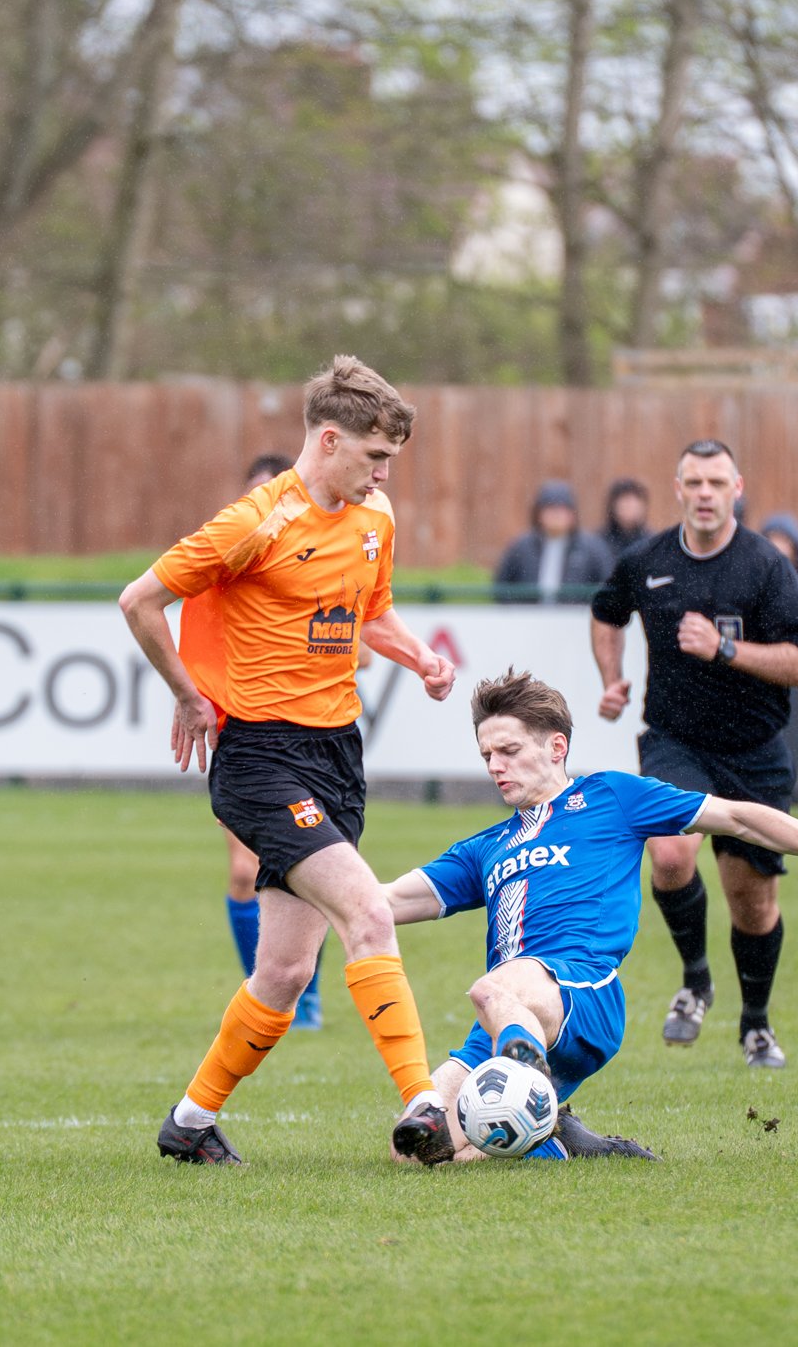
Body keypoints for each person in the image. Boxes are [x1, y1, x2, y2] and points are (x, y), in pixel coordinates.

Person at [119, 355, 459, 1165]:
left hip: (337, 753)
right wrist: (188, 695)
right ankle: (424, 1105)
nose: (384, 475)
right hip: (260, 756)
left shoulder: (374, 518)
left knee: (283, 970)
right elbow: (140, 600)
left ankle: (189, 1124)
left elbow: (369, 614)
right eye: (375, 456)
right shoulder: (254, 522)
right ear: (330, 439)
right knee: (369, 914)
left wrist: (418, 657)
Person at [380, 669, 798, 1164]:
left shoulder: (610, 796)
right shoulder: (484, 848)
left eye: (509, 750)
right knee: (414, 1147)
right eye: (487, 755)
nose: (495, 765)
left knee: (490, 987)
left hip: (581, 992)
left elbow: (738, 818)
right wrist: (328, 879)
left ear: (556, 747)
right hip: (509, 1016)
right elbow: (382, 903)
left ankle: (526, 1074)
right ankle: (556, 1138)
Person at [590, 439, 798, 1068]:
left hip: (754, 753)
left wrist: (725, 649)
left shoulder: (765, 566)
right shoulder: (647, 559)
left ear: (736, 489)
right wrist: (611, 678)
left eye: (717, 483)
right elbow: (607, 612)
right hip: (675, 742)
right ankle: (695, 982)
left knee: (751, 901)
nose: (704, 494)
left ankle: (756, 1023)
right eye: (693, 482)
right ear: (678, 489)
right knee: (669, 853)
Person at [194, 452, 324, 1031]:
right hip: (242, 737)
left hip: (310, 739)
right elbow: (200, 639)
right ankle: (268, 994)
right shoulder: (229, 563)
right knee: (245, 871)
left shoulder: (318, 559)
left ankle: (305, 994)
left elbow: (358, 643)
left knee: (310, 870)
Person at [492, 481, 616, 603]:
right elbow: (502, 588)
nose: (556, 516)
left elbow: (606, 587)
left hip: (577, 615)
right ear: (538, 514)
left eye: (562, 510)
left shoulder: (592, 549)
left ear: (573, 514)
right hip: (528, 614)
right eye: (551, 509)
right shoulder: (521, 548)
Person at [599, 477, 651, 563]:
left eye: (635, 503)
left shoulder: (652, 542)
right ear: (613, 506)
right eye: (626, 502)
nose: (631, 507)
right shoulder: (599, 542)